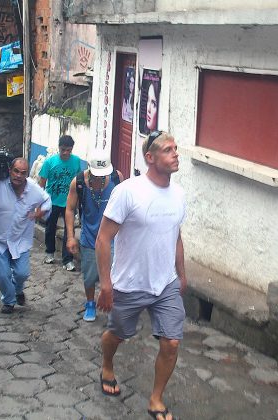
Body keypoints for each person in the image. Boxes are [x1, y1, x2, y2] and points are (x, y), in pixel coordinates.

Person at [95, 131, 186, 420]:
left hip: (165, 283)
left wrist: (181, 275)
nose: (175, 154)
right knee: (118, 335)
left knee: (171, 342)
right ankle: (107, 365)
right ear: (150, 157)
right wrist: (106, 285)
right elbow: (103, 239)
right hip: (130, 283)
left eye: (176, 149)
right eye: (168, 150)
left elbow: (177, 236)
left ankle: (156, 399)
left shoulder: (179, 194)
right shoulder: (128, 191)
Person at [0, 158, 51, 313]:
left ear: (27, 174)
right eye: (16, 171)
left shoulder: (33, 189)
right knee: (3, 275)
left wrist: (40, 212)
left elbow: (47, 201)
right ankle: (9, 300)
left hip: (20, 239)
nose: (19, 176)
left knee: (22, 273)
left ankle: (17, 289)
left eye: (23, 173)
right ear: (10, 170)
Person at [66, 150, 123, 322]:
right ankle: (90, 302)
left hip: (112, 238)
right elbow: (69, 209)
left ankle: (113, 305)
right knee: (89, 275)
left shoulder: (116, 178)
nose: (99, 178)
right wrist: (70, 236)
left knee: (115, 275)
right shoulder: (78, 183)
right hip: (90, 237)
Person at [38, 135, 81, 271]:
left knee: (70, 230)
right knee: (50, 228)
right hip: (52, 201)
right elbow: (42, 183)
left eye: (69, 150)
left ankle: (67, 259)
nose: (66, 153)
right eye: (63, 150)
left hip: (69, 202)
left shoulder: (76, 161)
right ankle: (49, 252)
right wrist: (40, 202)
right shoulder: (49, 162)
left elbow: (79, 181)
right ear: (59, 148)